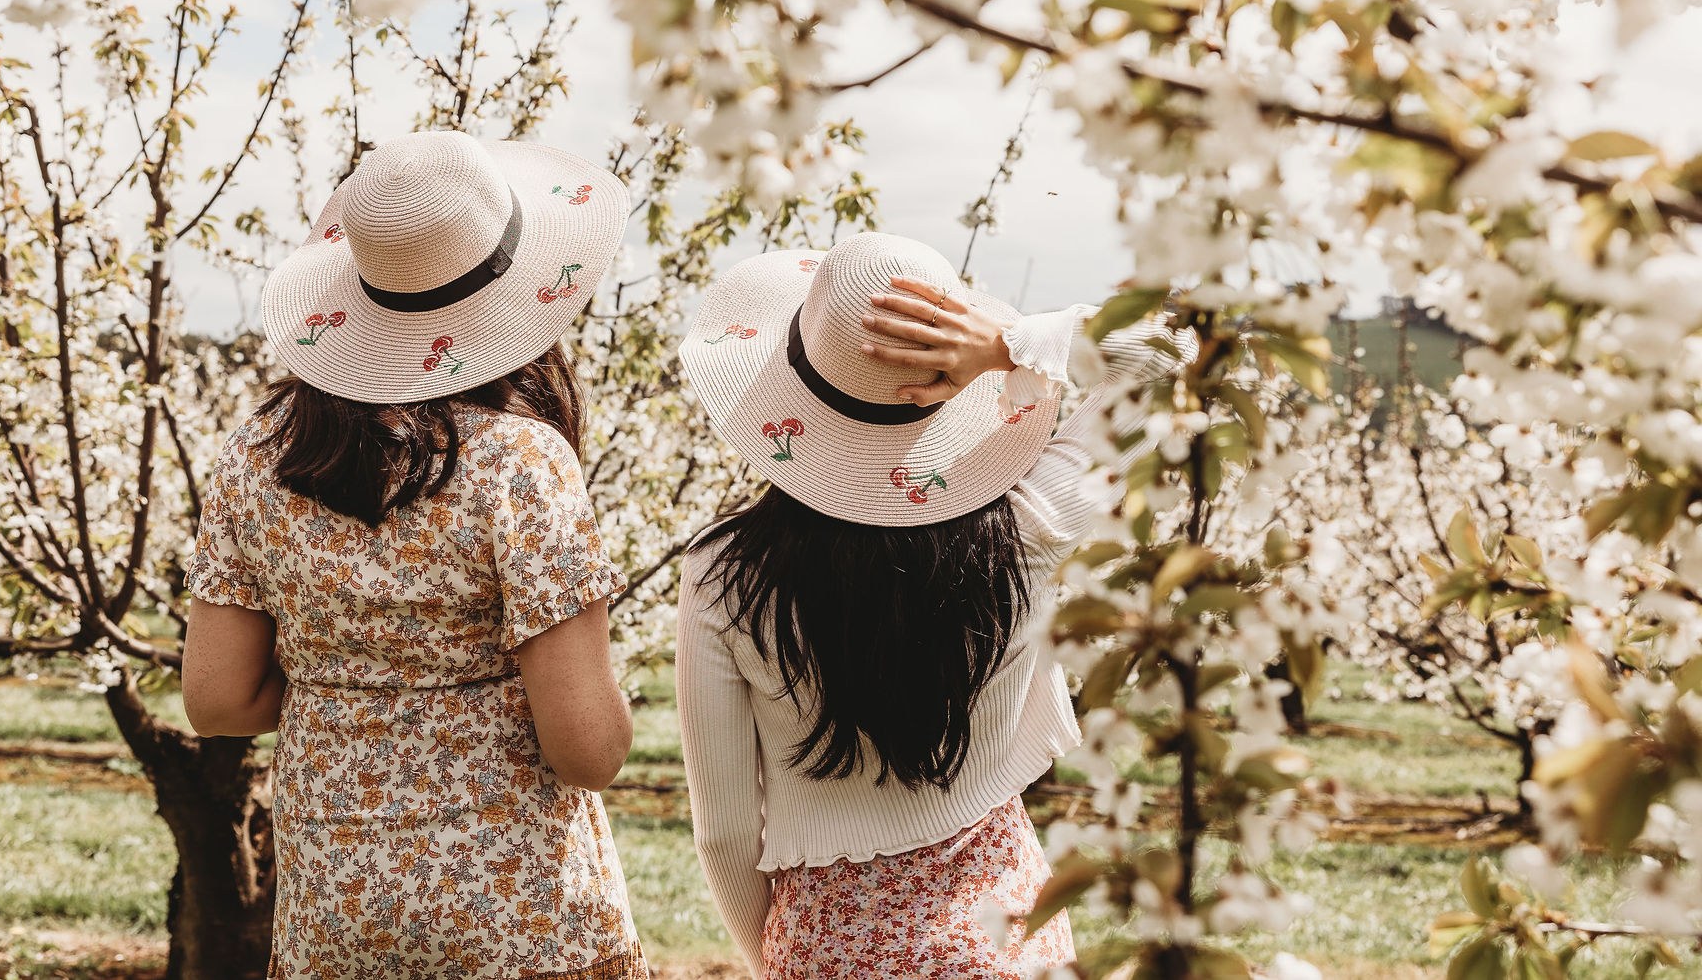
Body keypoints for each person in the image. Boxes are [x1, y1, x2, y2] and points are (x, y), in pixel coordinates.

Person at [182, 129, 646, 979]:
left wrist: (357, 670)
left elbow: (218, 700)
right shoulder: (521, 460)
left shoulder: (256, 454)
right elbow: (588, 747)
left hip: (337, 911)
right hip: (522, 917)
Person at [675, 232, 1184, 978]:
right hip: (1003, 939)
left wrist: (782, 960)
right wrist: (1009, 345)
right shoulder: (1027, 530)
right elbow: (1171, 354)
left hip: (826, 944)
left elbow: (722, 834)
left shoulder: (723, 573)